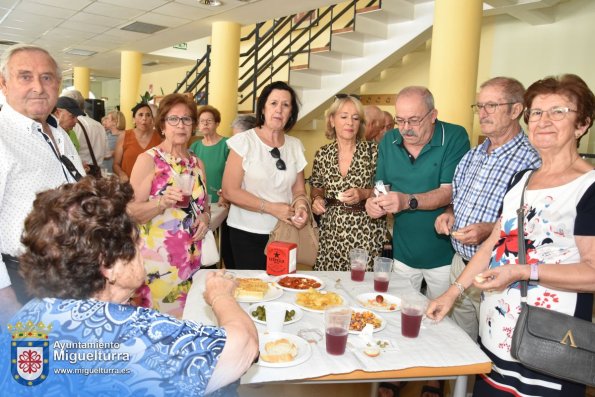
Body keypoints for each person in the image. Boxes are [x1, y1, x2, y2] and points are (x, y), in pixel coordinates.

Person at [0, 176, 259, 396]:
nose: (143, 249)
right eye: (136, 242)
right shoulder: (130, 332)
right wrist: (220, 295)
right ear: (108, 265)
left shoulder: (23, 320)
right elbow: (244, 346)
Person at [427, 74, 595, 397]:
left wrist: (522, 272)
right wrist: (451, 294)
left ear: (582, 124)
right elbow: (493, 243)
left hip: (550, 343)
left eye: (558, 111)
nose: (544, 121)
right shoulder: (521, 179)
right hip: (498, 336)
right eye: (537, 112)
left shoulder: (588, 188)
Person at [367, 86, 469, 397]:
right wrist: (377, 203)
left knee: (440, 320)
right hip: (404, 250)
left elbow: (450, 190)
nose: (406, 129)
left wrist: (407, 201)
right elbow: (382, 185)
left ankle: (435, 378)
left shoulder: (453, 136)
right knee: (399, 313)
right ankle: (399, 370)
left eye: (414, 120)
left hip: (443, 252)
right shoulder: (389, 139)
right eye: (400, 120)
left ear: (433, 116)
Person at [434, 77, 541, 341]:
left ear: (516, 110)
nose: (482, 113)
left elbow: (534, 223)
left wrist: (489, 230)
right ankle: (457, 384)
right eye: (479, 106)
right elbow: (455, 199)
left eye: (491, 106)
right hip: (461, 265)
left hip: (501, 273)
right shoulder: (473, 155)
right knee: (459, 343)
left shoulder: (533, 160)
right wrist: (449, 213)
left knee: (496, 345)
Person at [0, 44, 85, 325]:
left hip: (70, 274)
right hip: (23, 281)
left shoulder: (57, 132)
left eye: (46, 77)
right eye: (25, 76)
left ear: (58, 85)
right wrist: (5, 297)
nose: (38, 87)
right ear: (3, 83)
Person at [128, 93, 210, 318]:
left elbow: (205, 206)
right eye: (173, 119)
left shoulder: (197, 163)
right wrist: (161, 203)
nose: (180, 125)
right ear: (162, 125)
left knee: (188, 322)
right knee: (159, 329)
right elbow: (131, 211)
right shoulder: (149, 160)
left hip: (192, 262)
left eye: (187, 119)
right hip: (158, 266)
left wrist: (204, 218)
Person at [222, 81, 309, 270]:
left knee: (284, 287)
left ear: (291, 113)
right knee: (252, 292)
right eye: (273, 103)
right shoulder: (244, 142)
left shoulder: (295, 145)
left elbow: (299, 189)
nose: (279, 110)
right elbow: (230, 191)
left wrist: (301, 206)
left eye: (286, 105)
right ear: (263, 108)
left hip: (285, 234)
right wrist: (271, 208)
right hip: (246, 234)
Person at [310, 94, 386, 271]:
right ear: (332, 120)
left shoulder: (374, 151)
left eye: (355, 118)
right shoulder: (322, 154)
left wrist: (364, 194)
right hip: (331, 233)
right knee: (329, 291)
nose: (350, 123)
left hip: (366, 232)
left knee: (362, 289)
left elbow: (386, 189)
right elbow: (316, 188)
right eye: (343, 117)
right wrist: (317, 200)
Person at [190, 105, 234, 269]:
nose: (205, 124)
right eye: (202, 121)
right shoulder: (194, 147)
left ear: (217, 123)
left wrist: (225, 194)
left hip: (223, 201)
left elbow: (231, 173)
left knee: (225, 245)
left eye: (209, 121)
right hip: (201, 203)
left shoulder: (226, 145)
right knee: (204, 241)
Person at [113, 102, 162, 182]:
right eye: (140, 115)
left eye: (148, 115)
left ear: (152, 119)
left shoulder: (159, 137)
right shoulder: (125, 136)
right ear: (133, 120)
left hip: (152, 187)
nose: (144, 118)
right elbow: (116, 164)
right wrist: (121, 174)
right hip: (128, 186)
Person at [61, 89, 108, 170]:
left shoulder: (72, 125)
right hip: (97, 172)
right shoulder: (99, 125)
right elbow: (106, 154)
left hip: (80, 171)